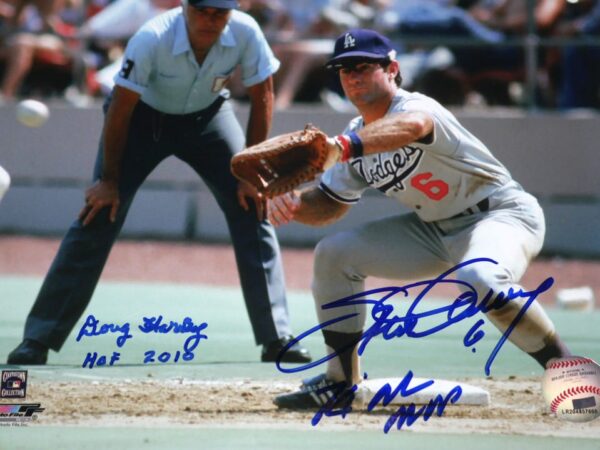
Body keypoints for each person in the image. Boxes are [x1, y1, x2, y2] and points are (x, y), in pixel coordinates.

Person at [269, 29, 571, 409]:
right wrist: (292, 203)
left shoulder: (415, 108)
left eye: (363, 66)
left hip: (500, 215)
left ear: (392, 69)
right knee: (334, 254)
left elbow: (413, 128)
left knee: (479, 277)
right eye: (344, 70)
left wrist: (344, 148)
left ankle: (570, 372)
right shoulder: (353, 138)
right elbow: (330, 203)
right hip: (436, 231)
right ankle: (341, 382)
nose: (353, 76)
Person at [7, 0, 311, 365]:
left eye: (221, 12)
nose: (211, 19)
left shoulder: (246, 32)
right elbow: (119, 108)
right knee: (100, 212)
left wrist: (253, 173)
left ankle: (277, 337)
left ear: (233, 12)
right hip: (140, 121)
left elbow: (264, 95)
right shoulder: (152, 37)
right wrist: (108, 180)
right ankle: (38, 338)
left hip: (210, 118)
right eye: (203, 10)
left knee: (252, 205)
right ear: (185, 6)